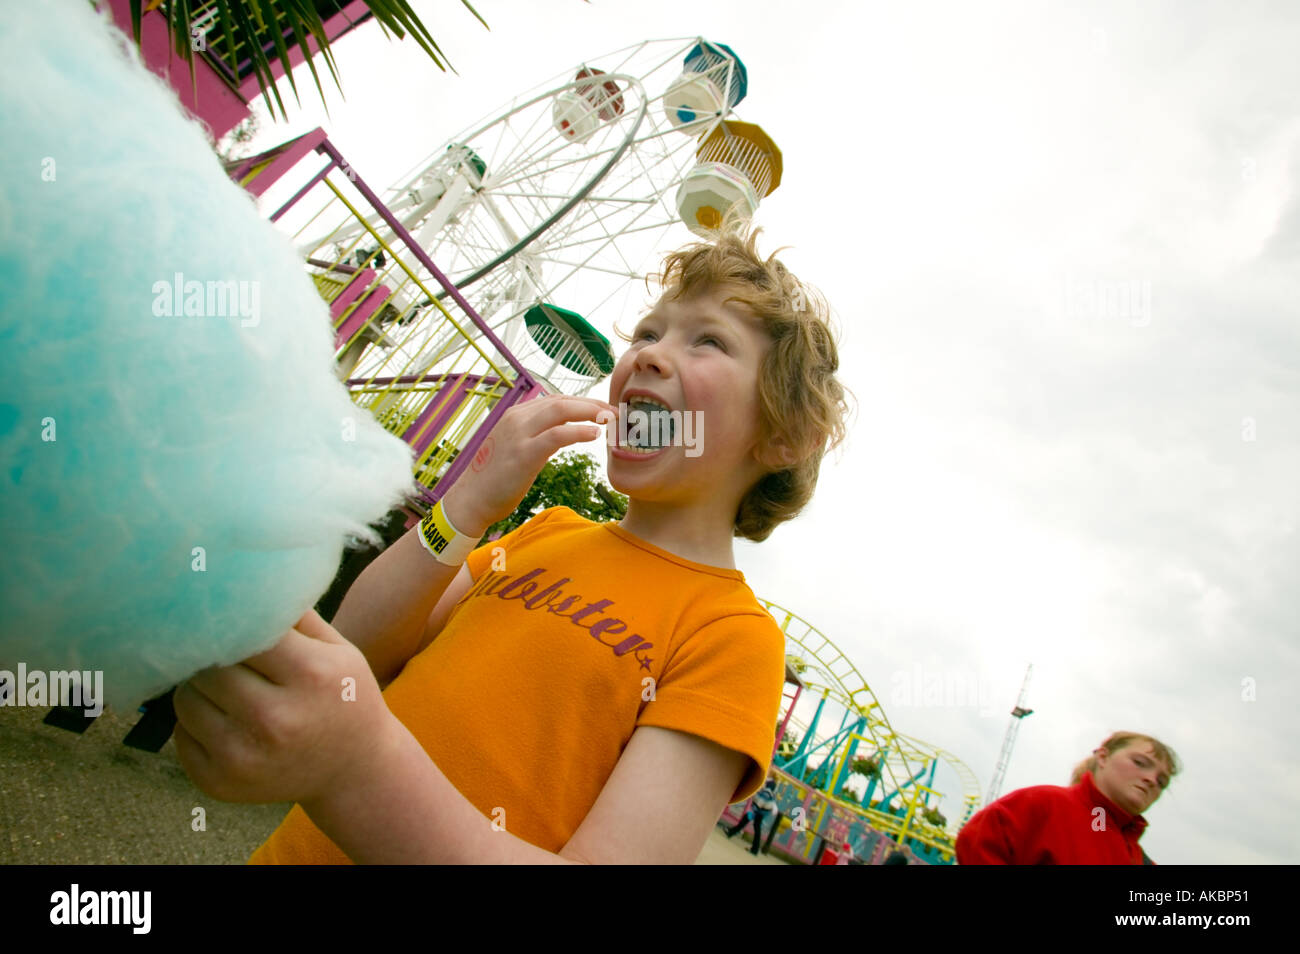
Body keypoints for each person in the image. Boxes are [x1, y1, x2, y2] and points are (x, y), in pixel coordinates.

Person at [171, 223, 850, 864]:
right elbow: (366, 649)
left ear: (784, 436)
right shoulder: (548, 529)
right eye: (648, 331)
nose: (648, 353)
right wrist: (467, 505)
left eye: (708, 342)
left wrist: (355, 771)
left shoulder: (734, 639)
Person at [955, 731, 1180, 865]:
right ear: (1103, 756)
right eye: (1140, 763)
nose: (1151, 779)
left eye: (1162, 781)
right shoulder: (1044, 804)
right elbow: (975, 843)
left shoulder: (1138, 859)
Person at [725, 778, 778, 855]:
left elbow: (759, 802)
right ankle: (731, 832)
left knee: (753, 825)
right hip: (762, 811)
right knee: (754, 825)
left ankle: (754, 848)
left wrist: (754, 811)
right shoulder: (769, 792)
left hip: (760, 811)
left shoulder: (766, 792)